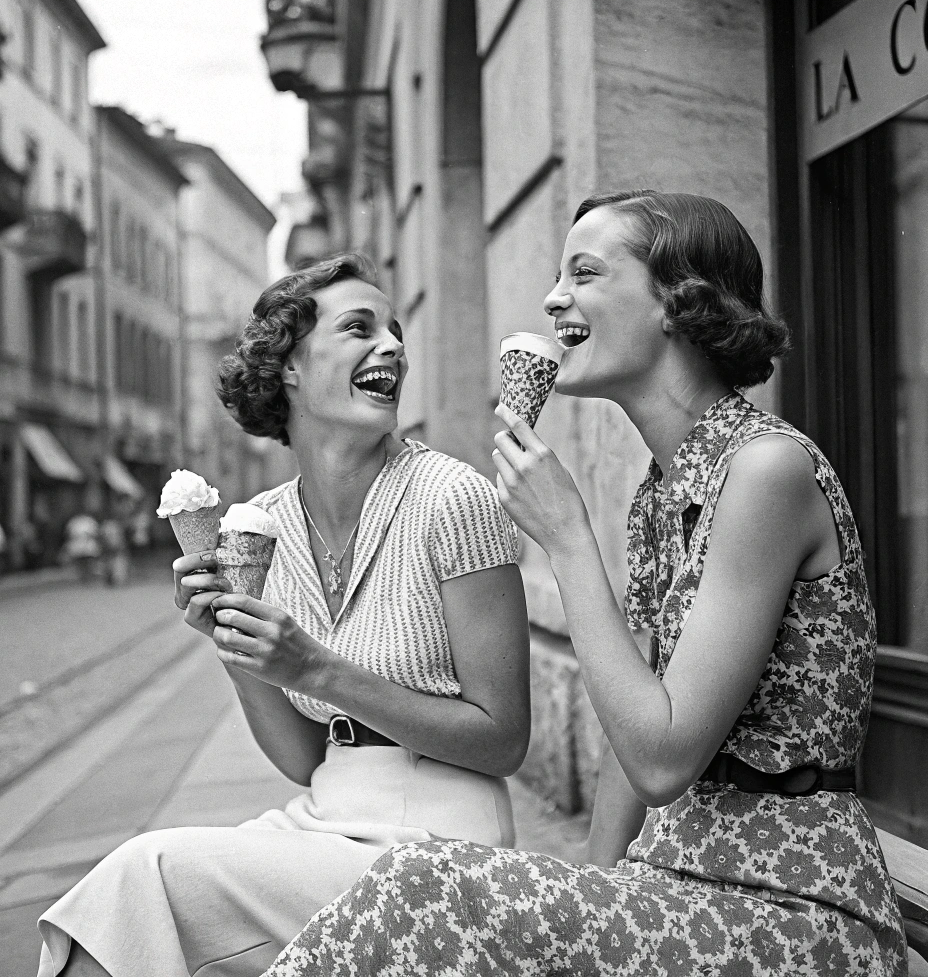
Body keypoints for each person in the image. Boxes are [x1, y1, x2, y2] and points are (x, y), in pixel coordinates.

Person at [261, 192, 908, 977]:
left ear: (679, 300)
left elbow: (662, 760)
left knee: (424, 885)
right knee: (426, 901)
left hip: (795, 908)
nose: (552, 297)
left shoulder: (765, 470)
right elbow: (626, 734)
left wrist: (566, 537)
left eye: (586, 272)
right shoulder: (666, 489)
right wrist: (588, 894)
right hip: (677, 887)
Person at [34, 252, 531, 977]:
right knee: (107, 923)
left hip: (441, 840)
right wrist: (231, 644)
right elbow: (303, 760)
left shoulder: (453, 499)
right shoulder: (258, 527)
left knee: (146, 874)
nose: (391, 345)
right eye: (359, 328)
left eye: (395, 331)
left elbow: (503, 741)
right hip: (324, 817)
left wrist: (319, 670)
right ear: (289, 367)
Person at [62, 509, 100, 583]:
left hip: (88, 544)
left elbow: (95, 532)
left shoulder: (89, 521)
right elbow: (68, 533)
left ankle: (89, 576)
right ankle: (83, 576)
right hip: (78, 545)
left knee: (89, 561)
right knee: (80, 562)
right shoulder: (74, 521)